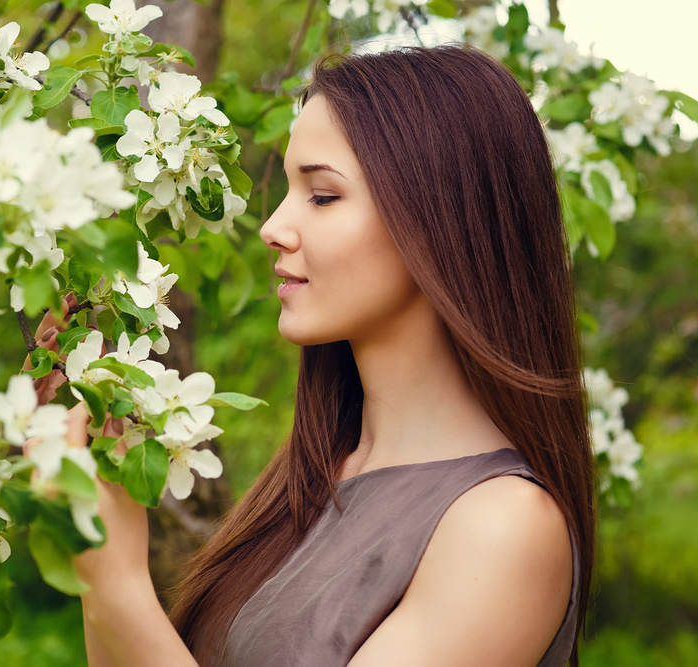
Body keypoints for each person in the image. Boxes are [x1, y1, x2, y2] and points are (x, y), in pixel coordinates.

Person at [35, 44, 595, 667]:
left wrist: (120, 586)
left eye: (322, 196)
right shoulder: (309, 479)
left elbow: (127, 608)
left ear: (440, 218)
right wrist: (93, 549)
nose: (273, 226)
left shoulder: (505, 529)